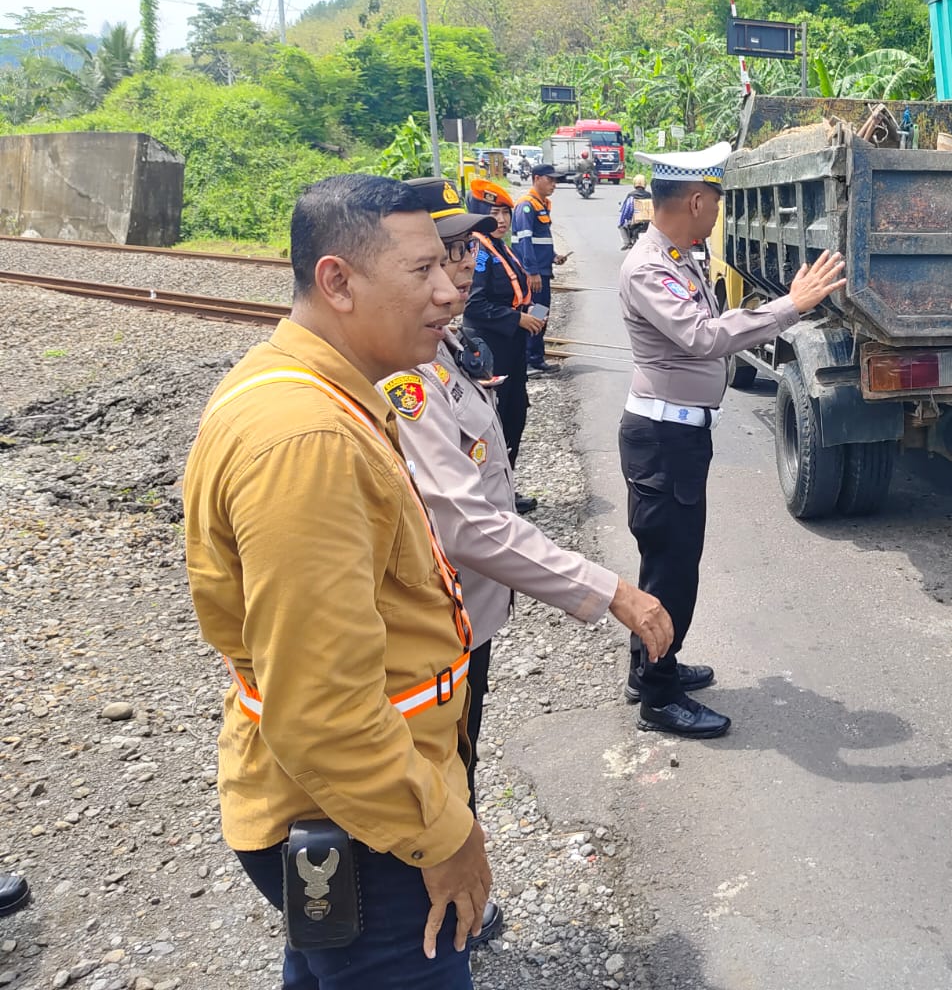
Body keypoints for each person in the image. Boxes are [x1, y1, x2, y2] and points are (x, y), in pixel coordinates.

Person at [185, 174, 489, 987]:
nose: (449, 291)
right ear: (337, 282)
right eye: (422, 271)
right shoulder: (307, 440)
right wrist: (445, 832)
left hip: (349, 808)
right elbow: (323, 710)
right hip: (360, 823)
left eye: (448, 267)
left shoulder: (316, 391)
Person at [382, 176, 673, 943]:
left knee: (457, 765)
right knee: (437, 783)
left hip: (465, 619)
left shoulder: (436, 345)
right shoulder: (402, 374)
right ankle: (433, 922)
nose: (458, 276)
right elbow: (468, 523)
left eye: (463, 252)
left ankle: (441, 902)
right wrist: (609, 589)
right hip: (434, 629)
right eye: (437, 261)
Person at [618, 142, 846, 739]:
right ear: (695, 200)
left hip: (677, 434)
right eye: (716, 202)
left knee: (665, 559)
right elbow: (702, 336)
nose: (718, 214)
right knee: (673, 568)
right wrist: (791, 308)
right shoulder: (649, 267)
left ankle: (649, 665)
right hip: (663, 437)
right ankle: (659, 698)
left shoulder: (678, 253)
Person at [465, 179, 541, 469]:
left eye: (505, 213)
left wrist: (528, 309)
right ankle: (493, 489)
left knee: (515, 412)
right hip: (491, 346)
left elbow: (511, 291)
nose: (500, 220)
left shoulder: (500, 248)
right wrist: (517, 318)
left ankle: (507, 485)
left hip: (512, 345)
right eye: (493, 213)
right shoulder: (478, 250)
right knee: (495, 417)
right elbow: (474, 304)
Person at [510, 165, 567, 374]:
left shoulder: (541, 205)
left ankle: (535, 356)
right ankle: (530, 359)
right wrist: (532, 271)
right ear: (536, 179)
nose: (554, 184)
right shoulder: (526, 206)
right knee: (536, 313)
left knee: (541, 313)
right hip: (534, 275)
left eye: (555, 181)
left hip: (542, 270)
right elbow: (524, 241)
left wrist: (553, 257)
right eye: (550, 180)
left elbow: (539, 240)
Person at [619, 174, 647, 250]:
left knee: (621, 226)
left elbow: (626, 207)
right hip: (648, 222)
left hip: (635, 221)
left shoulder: (631, 195)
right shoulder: (649, 195)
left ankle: (627, 243)